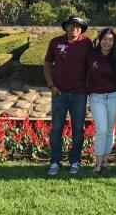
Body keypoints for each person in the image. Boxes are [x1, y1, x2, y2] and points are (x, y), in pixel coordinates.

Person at [44, 15, 93, 176]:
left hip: (79, 94)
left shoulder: (87, 43)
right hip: (59, 93)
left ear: (82, 29)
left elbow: (92, 66)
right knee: (57, 128)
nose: (74, 28)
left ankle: (75, 161)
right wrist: (51, 85)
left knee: (78, 129)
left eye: (78, 26)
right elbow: (47, 64)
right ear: (66, 27)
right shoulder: (56, 42)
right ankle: (55, 162)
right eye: (72, 25)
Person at [87, 28, 116, 174]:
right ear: (99, 39)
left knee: (110, 130)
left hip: (114, 96)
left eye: (110, 40)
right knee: (101, 130)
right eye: (104, 39)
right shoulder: (91, 55)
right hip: (97, 97)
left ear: (114, 42)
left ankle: (105, 161)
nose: (107, 42)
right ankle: (97, 164)